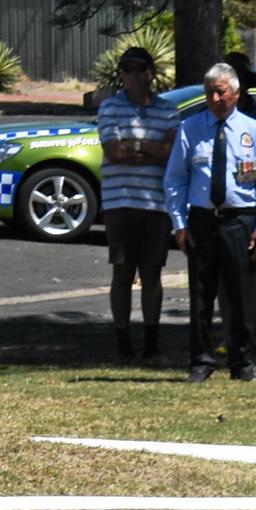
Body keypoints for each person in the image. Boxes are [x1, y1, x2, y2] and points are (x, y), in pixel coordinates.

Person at [165, 63, 256, 385]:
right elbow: (175, 179)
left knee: (240, 294)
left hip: (239, 220)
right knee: (201, 295)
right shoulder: (191, 128)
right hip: (202, 219)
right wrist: (179, 223)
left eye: (221, 91)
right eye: (210, 91)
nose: (215, 97)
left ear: (236, 94)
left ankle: (241, 361)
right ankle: (201, 361)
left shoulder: (252, 131)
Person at [98, 45, 181, 363]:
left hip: (155, 204)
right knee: (122, 272)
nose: (132, 74)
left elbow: (170, 153)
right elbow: (113, 152)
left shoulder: (168, 110)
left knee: (152, 274)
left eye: (138, 68)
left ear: (150, 72)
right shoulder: (109, 108)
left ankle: (150, 341)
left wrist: (136, 146)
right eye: (126, 69)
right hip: (120, 202)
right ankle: (122, 340)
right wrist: (151, 147)